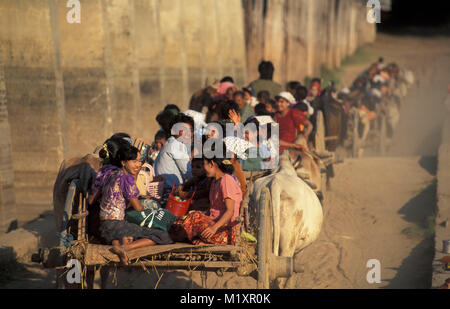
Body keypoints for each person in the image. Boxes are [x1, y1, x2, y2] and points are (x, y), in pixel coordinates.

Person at [88, 142, 173, 265]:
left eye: (139, 161)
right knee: (162, 235)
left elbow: (91, 200)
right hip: (116, 224)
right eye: (134, 161)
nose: (138, 164)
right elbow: (138, 208)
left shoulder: (108, 175)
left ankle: (119, 246)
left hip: (104, 227)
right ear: (123, 162)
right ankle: (125, 248)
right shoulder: (127, 179)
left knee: (122, 234)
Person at [171, 141, 242, 245]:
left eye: (204, 164)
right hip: (215, 225)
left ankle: (175, 236)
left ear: (212, 164)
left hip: (226, 231)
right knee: (191, 217)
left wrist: (214, 228)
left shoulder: (226, 180)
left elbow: (230, 211)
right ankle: (188, 236)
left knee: (194, 217)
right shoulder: (214, 182)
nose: (204, 168)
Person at [154, 113, 194, 189]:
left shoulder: (171, 143)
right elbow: (188, 173)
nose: (188, 133)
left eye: (190, 130)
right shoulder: (176, 145)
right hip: (170, 192)